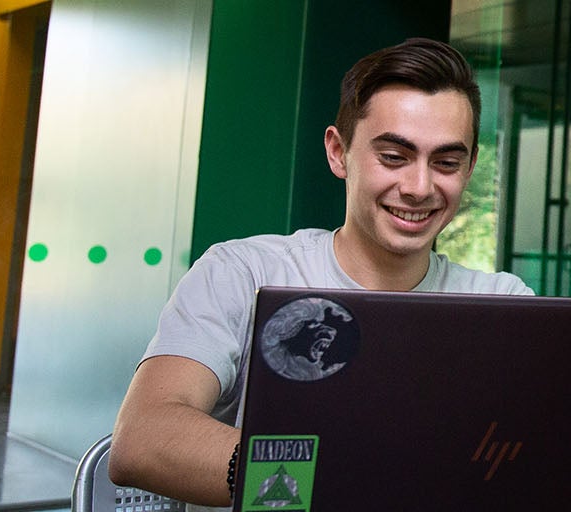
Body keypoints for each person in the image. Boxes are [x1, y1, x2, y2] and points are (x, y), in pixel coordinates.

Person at [109, 38, 533, 508]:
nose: (419, 187)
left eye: (447, 163)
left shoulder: (502, 302)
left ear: (470, 167)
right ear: (338, 152)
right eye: (393, 157)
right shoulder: (244, 272)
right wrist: (320, 476)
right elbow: (142, 438)